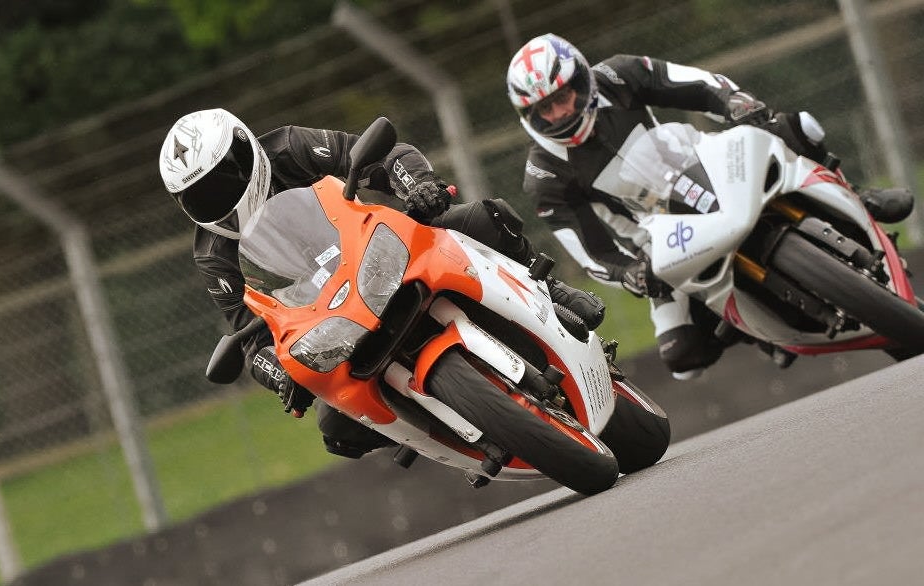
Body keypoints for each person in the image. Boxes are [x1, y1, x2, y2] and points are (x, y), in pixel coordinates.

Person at [158, 108, 604, 458]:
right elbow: (247, 330)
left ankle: (551, 291)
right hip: (325, 315)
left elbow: (383, 155)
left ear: (244, 148)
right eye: (201, 195)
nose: (218, 198)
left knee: (480, 217)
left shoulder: (291, 147)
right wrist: (276, 374)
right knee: (337, 431)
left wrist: (419, 186)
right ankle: (439, 433)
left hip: (381, 247)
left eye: (222, 179)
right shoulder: (212, 254)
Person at [505, 33, 915, 379]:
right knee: (683, 356)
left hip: (703, 160)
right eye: (546, 108)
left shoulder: (617, 74)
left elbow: (699, 84)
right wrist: (629, 275)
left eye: (566, 96)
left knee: (791, 125)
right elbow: (591, 253)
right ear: (530, 115)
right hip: (659, 237)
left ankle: (856, 195)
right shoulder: (544, 175)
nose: (561, 111)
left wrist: (738, 104)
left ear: (582, 79)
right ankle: (747, 325)